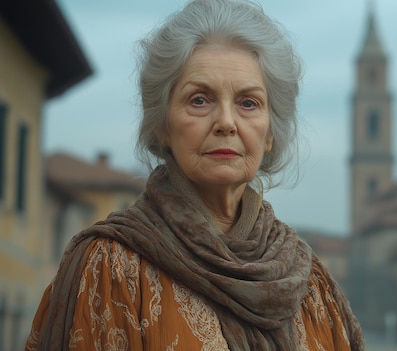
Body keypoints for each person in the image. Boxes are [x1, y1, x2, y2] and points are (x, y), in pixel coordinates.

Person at [25, 0, 365, 350]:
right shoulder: (111, 270)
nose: (226, 123)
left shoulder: (310, 283)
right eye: (200, 100)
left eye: (248, 103)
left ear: (270, 135)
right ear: (163, 127)